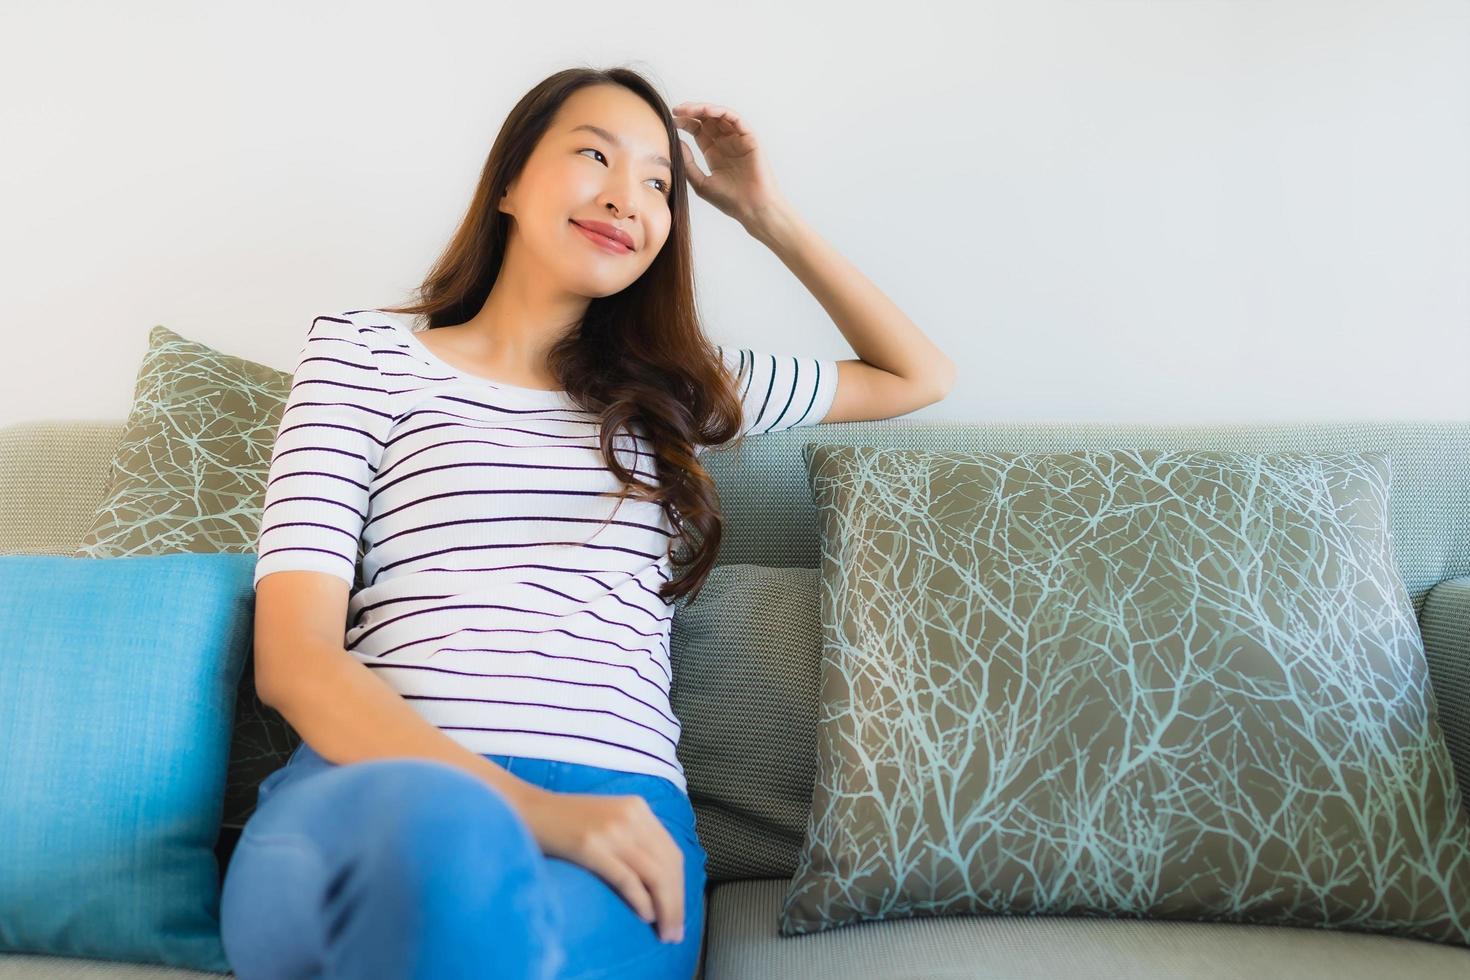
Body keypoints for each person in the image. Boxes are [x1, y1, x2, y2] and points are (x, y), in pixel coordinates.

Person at [222, 65, 954, 980]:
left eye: (659, 184)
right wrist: (534, 813)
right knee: (443, 879)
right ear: (509, 182)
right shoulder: (363, 355)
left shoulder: (678, 388)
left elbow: (915, 376)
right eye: (594, 156)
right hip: (378, 785)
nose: (627, 196)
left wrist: (763, 212)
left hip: (618, 808)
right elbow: (295, 661)